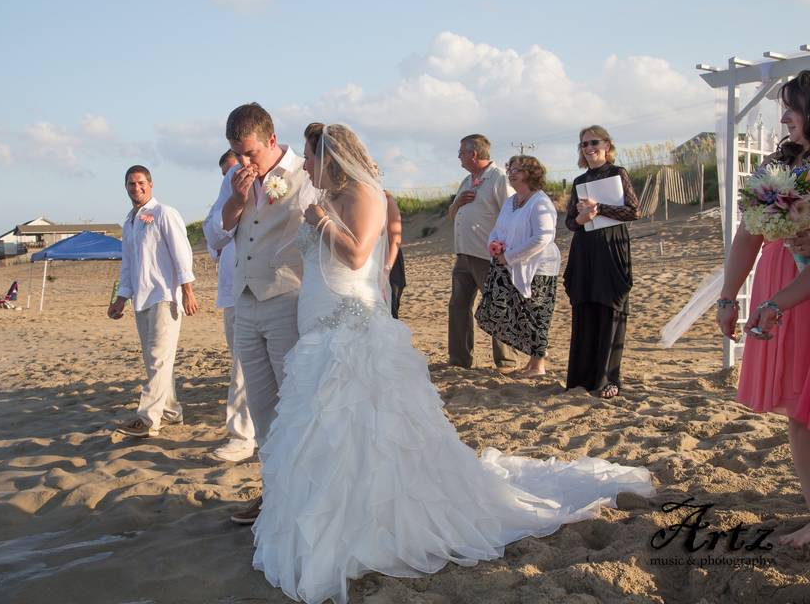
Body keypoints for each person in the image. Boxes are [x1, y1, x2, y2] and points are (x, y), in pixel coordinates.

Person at [251, 123, 654, 604]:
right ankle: (325, 508)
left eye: (313, 158)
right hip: (320, 329)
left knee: (361, 422)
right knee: (324, 428)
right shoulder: (325, 197)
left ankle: (371, 519)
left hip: (350, 329)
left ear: (332, 158)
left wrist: (318, 221)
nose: (307, 166)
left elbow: (358, 255)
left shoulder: (363, 194)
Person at [209, 103, 319, 524]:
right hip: (245, 300)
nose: (244, 161)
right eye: (237, 153)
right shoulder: (234, 179)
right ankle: (274, 491)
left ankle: (300, 495)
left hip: (287, 299)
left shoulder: (306, 174)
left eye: (250, 152)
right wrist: (235, 200)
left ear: (272, 140)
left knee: (293, 401)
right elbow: (215, 237)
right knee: (260, 406)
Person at [717, 70, 810, 547]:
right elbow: (748, 233)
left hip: (798, 287)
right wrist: (729, 296)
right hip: (783, 283)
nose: (784, 117)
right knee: (800, 406)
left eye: (792, 106)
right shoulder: (781, 167)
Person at [109, 165, 198, 437]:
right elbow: (129, 263)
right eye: (131, 184)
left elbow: (182, 254)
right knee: (155, 362)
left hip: (165, 296)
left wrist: (188, 291)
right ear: (125, 187)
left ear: (151, 184)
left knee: (159, 358)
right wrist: (120, 298)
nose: (137, 188)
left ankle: (148, 419)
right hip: (141, 298)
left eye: (141, 183)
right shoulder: (129, 221)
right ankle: (171, 411)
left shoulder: (164, 214)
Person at [563, 125, 639, 399]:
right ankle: (581, 378)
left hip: (611, 247)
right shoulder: (578, 180)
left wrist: (600, 209)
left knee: (610, 308)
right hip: (584, 248)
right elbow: (570, 221)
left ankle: (608, 379)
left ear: (607, 145)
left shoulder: (618, 173)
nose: (588, 148)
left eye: (593, 142)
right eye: (583, 144)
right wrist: (581, 219)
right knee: (585, 308)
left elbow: (634, 211)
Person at [476, 155, 560, 377]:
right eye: (510, 169)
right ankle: (531, 362)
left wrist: (510, 255)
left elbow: (543, 238)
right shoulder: (511, 201)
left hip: (539, 267)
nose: (512, 174)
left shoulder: (540, 202)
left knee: (536, 314)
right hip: (509, 263)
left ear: (531, 175)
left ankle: (538, 365)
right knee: (505, 309)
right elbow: (498, 228)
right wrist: (493, 245)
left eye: (518, 170)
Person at [201, 150, 256, 462]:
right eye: (229, 170)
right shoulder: (229, 187)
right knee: (240, 363)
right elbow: (213, 235)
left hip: (268, 286)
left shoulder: (278, 180)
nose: (236, 172)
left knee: (246, 368)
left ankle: (244, 435)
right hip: (233, 290)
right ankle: (244, 433)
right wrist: (234, 199)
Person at [448, 134, 518, 370]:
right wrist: (457, 205)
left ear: (473, 154)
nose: (459, 157)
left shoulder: (498, 178)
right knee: (458, 305)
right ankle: (459, 360)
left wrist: (502, 251)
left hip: (488, 256)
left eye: (461, 153)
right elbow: (452, 214)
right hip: (463, 254)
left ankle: (506, 360)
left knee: (496, 305)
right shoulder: (467, 181)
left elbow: (511, 215)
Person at [383, 190, 406, 319]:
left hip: (389, 258)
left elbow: (395, 240)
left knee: (390, 305)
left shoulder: (385, 198)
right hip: (367, 261)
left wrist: (386, 269)